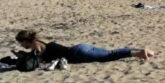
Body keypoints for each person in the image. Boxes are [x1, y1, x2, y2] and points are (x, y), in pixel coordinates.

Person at [14, 29, 154, 68]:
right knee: (109, 52)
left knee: (108, 56)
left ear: (26, 40)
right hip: (79, 47)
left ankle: (139, 53)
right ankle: (141, 51)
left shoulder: (37, 47)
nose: (22, 46)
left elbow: (36, 62)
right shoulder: (40, 42)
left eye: (21, 43)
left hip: (77, 54)